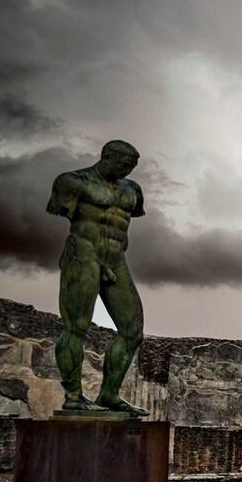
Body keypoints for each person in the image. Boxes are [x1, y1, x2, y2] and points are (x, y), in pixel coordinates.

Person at [46, 139, 148, 414]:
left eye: (132, 166)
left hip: (116, 259)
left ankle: (109, 395)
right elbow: (61, 210)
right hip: (83, 255)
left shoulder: (132, 190)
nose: (128, 170)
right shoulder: (72, 182)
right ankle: (74, 397)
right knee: (76, 327)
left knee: (133, 330)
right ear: (106, 156)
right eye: (124, 164)